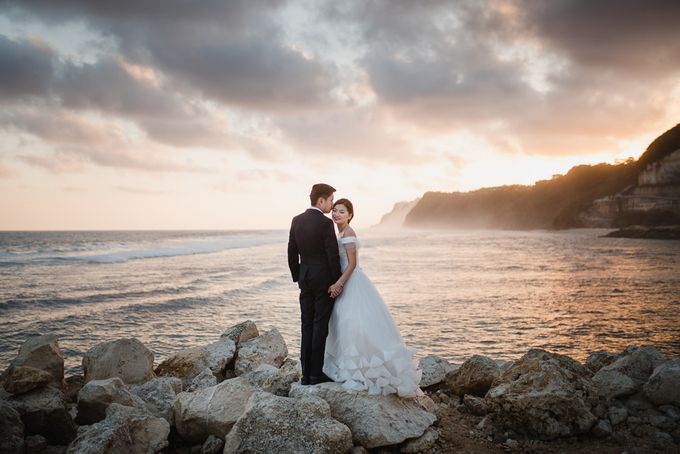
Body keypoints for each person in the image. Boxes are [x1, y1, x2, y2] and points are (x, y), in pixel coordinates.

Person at [323, 198, 423, 397]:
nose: (336, 214)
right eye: (334, 210)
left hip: (351, 282)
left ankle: (364, 370)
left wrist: (338, 284)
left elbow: (351, 264)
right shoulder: (339, 232)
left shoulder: (349, 234)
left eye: (342, 212)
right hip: (346, 280)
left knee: (353, 323)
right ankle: (347, 367)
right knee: (344, 324)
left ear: (350, 215)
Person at [288, 183, 342, 385]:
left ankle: (305, 375)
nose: (332, 204)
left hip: (306, 280)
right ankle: (315, 374)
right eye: (331, 200)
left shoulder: (296, 220)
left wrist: (298, 275)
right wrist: (337, 281)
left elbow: (292, 251)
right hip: (323, 282)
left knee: (306, 326)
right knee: (320, 327)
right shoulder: (325, 223)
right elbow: (332, 255)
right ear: (321, 200)